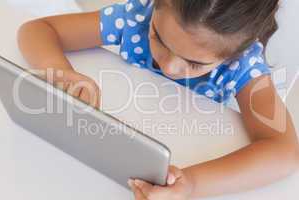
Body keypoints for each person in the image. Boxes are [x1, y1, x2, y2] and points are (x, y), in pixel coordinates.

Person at [18, 0, 299, 199]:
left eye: (193, 63)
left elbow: (284, 152)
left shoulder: (243, 66)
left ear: (234, 54)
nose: (169, 66)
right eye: (158, 38)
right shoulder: (137, 16)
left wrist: (192, 185)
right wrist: (63, 74)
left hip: (190, 149)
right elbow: (38, 30)